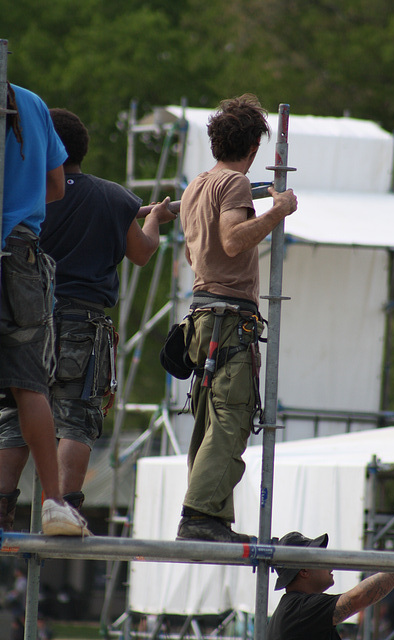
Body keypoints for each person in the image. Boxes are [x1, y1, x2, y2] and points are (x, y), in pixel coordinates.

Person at [0, 107, 176, 522]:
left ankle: (2, 504)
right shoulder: (112, 197)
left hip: (28, 317)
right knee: (76, 417)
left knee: (13, 415)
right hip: (83, 323)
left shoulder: (24, 194)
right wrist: (152, 218)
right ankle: (61, 511)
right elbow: (142, 252)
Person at [176, 94, 298, 542]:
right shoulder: (234, 185)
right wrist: (277, 210)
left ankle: (207, 518)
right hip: (229, 317)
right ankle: (200, 517)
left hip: (202, 313)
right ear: (252, 149)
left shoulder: (195, 186)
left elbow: (197, 252)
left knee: (212, 419)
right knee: (232, 417)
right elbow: (231, 241)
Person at [0, 83, 89, 536]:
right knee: (28, 386)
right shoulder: (32, 103)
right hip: (20, 256)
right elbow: (55, 186)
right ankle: (54, 503)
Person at [267, 531, 394, 640]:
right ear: (304, 570)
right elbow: (358, 597)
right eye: (319, 557)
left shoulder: (295, 608)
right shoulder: (299, 609)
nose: (329, 563)